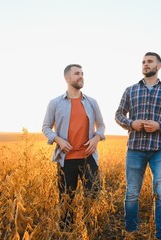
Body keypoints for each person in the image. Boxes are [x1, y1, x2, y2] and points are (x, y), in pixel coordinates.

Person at [115, 52, 161, 240]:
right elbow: (119, 114)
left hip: (160, 150)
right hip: (135, 149)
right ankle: (131, 233)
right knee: (132, 193)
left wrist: (160, 126)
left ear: (159, 66)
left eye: (150, 61)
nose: (145, 64)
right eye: (143, 62)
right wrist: (131, 123)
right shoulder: (130, 90)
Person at [42, 64, 106, 229]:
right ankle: (66, 232)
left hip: (89, 159)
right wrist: (58, 140)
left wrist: (96, 138)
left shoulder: (92, 102)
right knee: (65, 201)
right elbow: (46, 127)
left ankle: (89, 231)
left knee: (92, 199)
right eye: (77, 73)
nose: (81, 76)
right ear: (67, 78)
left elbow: (102, 126)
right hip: (66, 160)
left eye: (82, 73)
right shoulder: (55, 103)